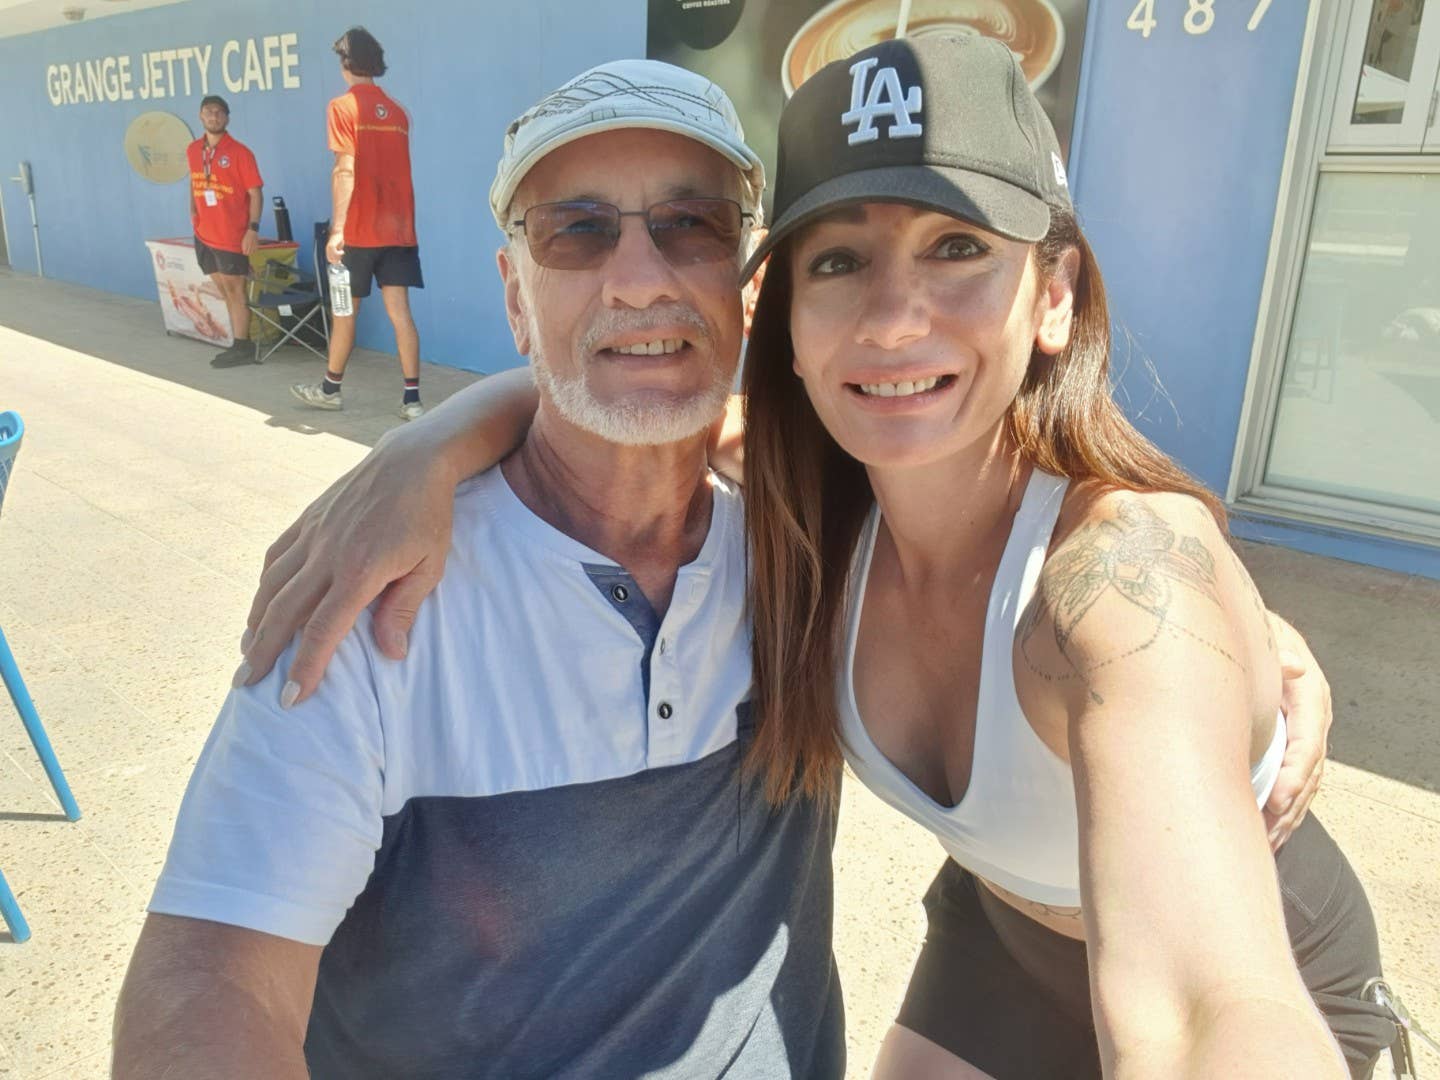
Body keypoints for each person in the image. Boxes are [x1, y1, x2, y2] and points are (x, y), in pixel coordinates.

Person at [230, 43, 1364, 1080]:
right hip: (998, 934)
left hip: (1278, 951)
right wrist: (422, 449)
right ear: (780, 314)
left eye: (959, 248)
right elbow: (618, 376)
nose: (891, 320)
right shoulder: (810, 503)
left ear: (1055, 294)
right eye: (840, 262)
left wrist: (1210, 624)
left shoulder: (1128, 575)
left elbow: (1208, 1007)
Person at [113, 60, 845, 1079]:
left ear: (746, 282)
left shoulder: (814, 542)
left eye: (692, 224)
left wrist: (436, 436)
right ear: (514, 296)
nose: (640, 277)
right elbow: (215, 970)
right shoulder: (382, 584)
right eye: (577, 231)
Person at [291, 27, 426, 421]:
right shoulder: (399, 112)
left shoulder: (342, 107)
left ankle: (330, 390)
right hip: (399, 231)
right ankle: (412, 402)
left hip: (359, 233)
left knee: (344, 312)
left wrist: (337, 230)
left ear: (346, 63)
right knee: (401, 312)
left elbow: (346, 168)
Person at [186, 94, 263, 369]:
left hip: (231, 235)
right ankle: (238, 341)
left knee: (236, 289)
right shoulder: (193, 150)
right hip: (205, 233)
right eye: (209, 112)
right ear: (200, 116)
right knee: (224, 289)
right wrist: (193, 211)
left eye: (219, 112)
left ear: (227, 118)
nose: (214, 117)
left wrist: (252, 229)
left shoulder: (241, 153)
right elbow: (194, 184)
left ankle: (243, 345)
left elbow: (255, 193)